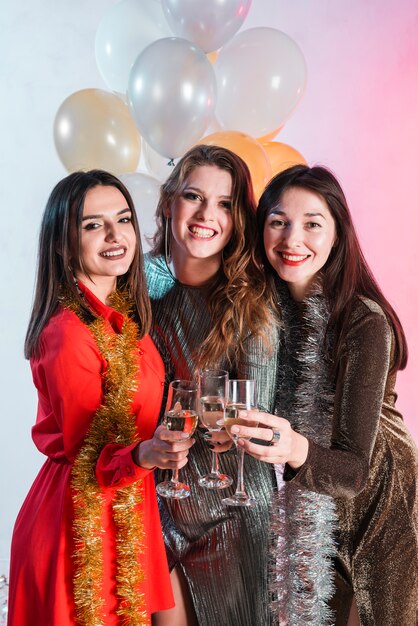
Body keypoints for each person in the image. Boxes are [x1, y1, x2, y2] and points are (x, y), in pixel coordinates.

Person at [232, 164, 418, 626]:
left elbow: (354, 470)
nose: (293, 239)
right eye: (278, 221)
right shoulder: (264, 316)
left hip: (382, 507)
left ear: (337, 234)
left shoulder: (363, 320)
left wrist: (291, 446)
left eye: (312, 223)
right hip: (315, 511)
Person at [7, 170, 195, 625]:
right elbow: (92, 453)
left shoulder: (128, 321)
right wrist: (149, 452)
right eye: (93, 224)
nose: (116, 236)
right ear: (60, 242)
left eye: (124, 219)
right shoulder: (67, 334)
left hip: (128, 509)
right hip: (80, 525)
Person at [145, 144, 278, 626]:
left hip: (233, 508)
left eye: (224, 204)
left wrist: (236, 427)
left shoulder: (251, 303)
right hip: (160, 500)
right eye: (193, 196)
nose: (207, 215)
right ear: (168, 203)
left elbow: (257, 418)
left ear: (237, 218)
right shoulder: (135, 289)